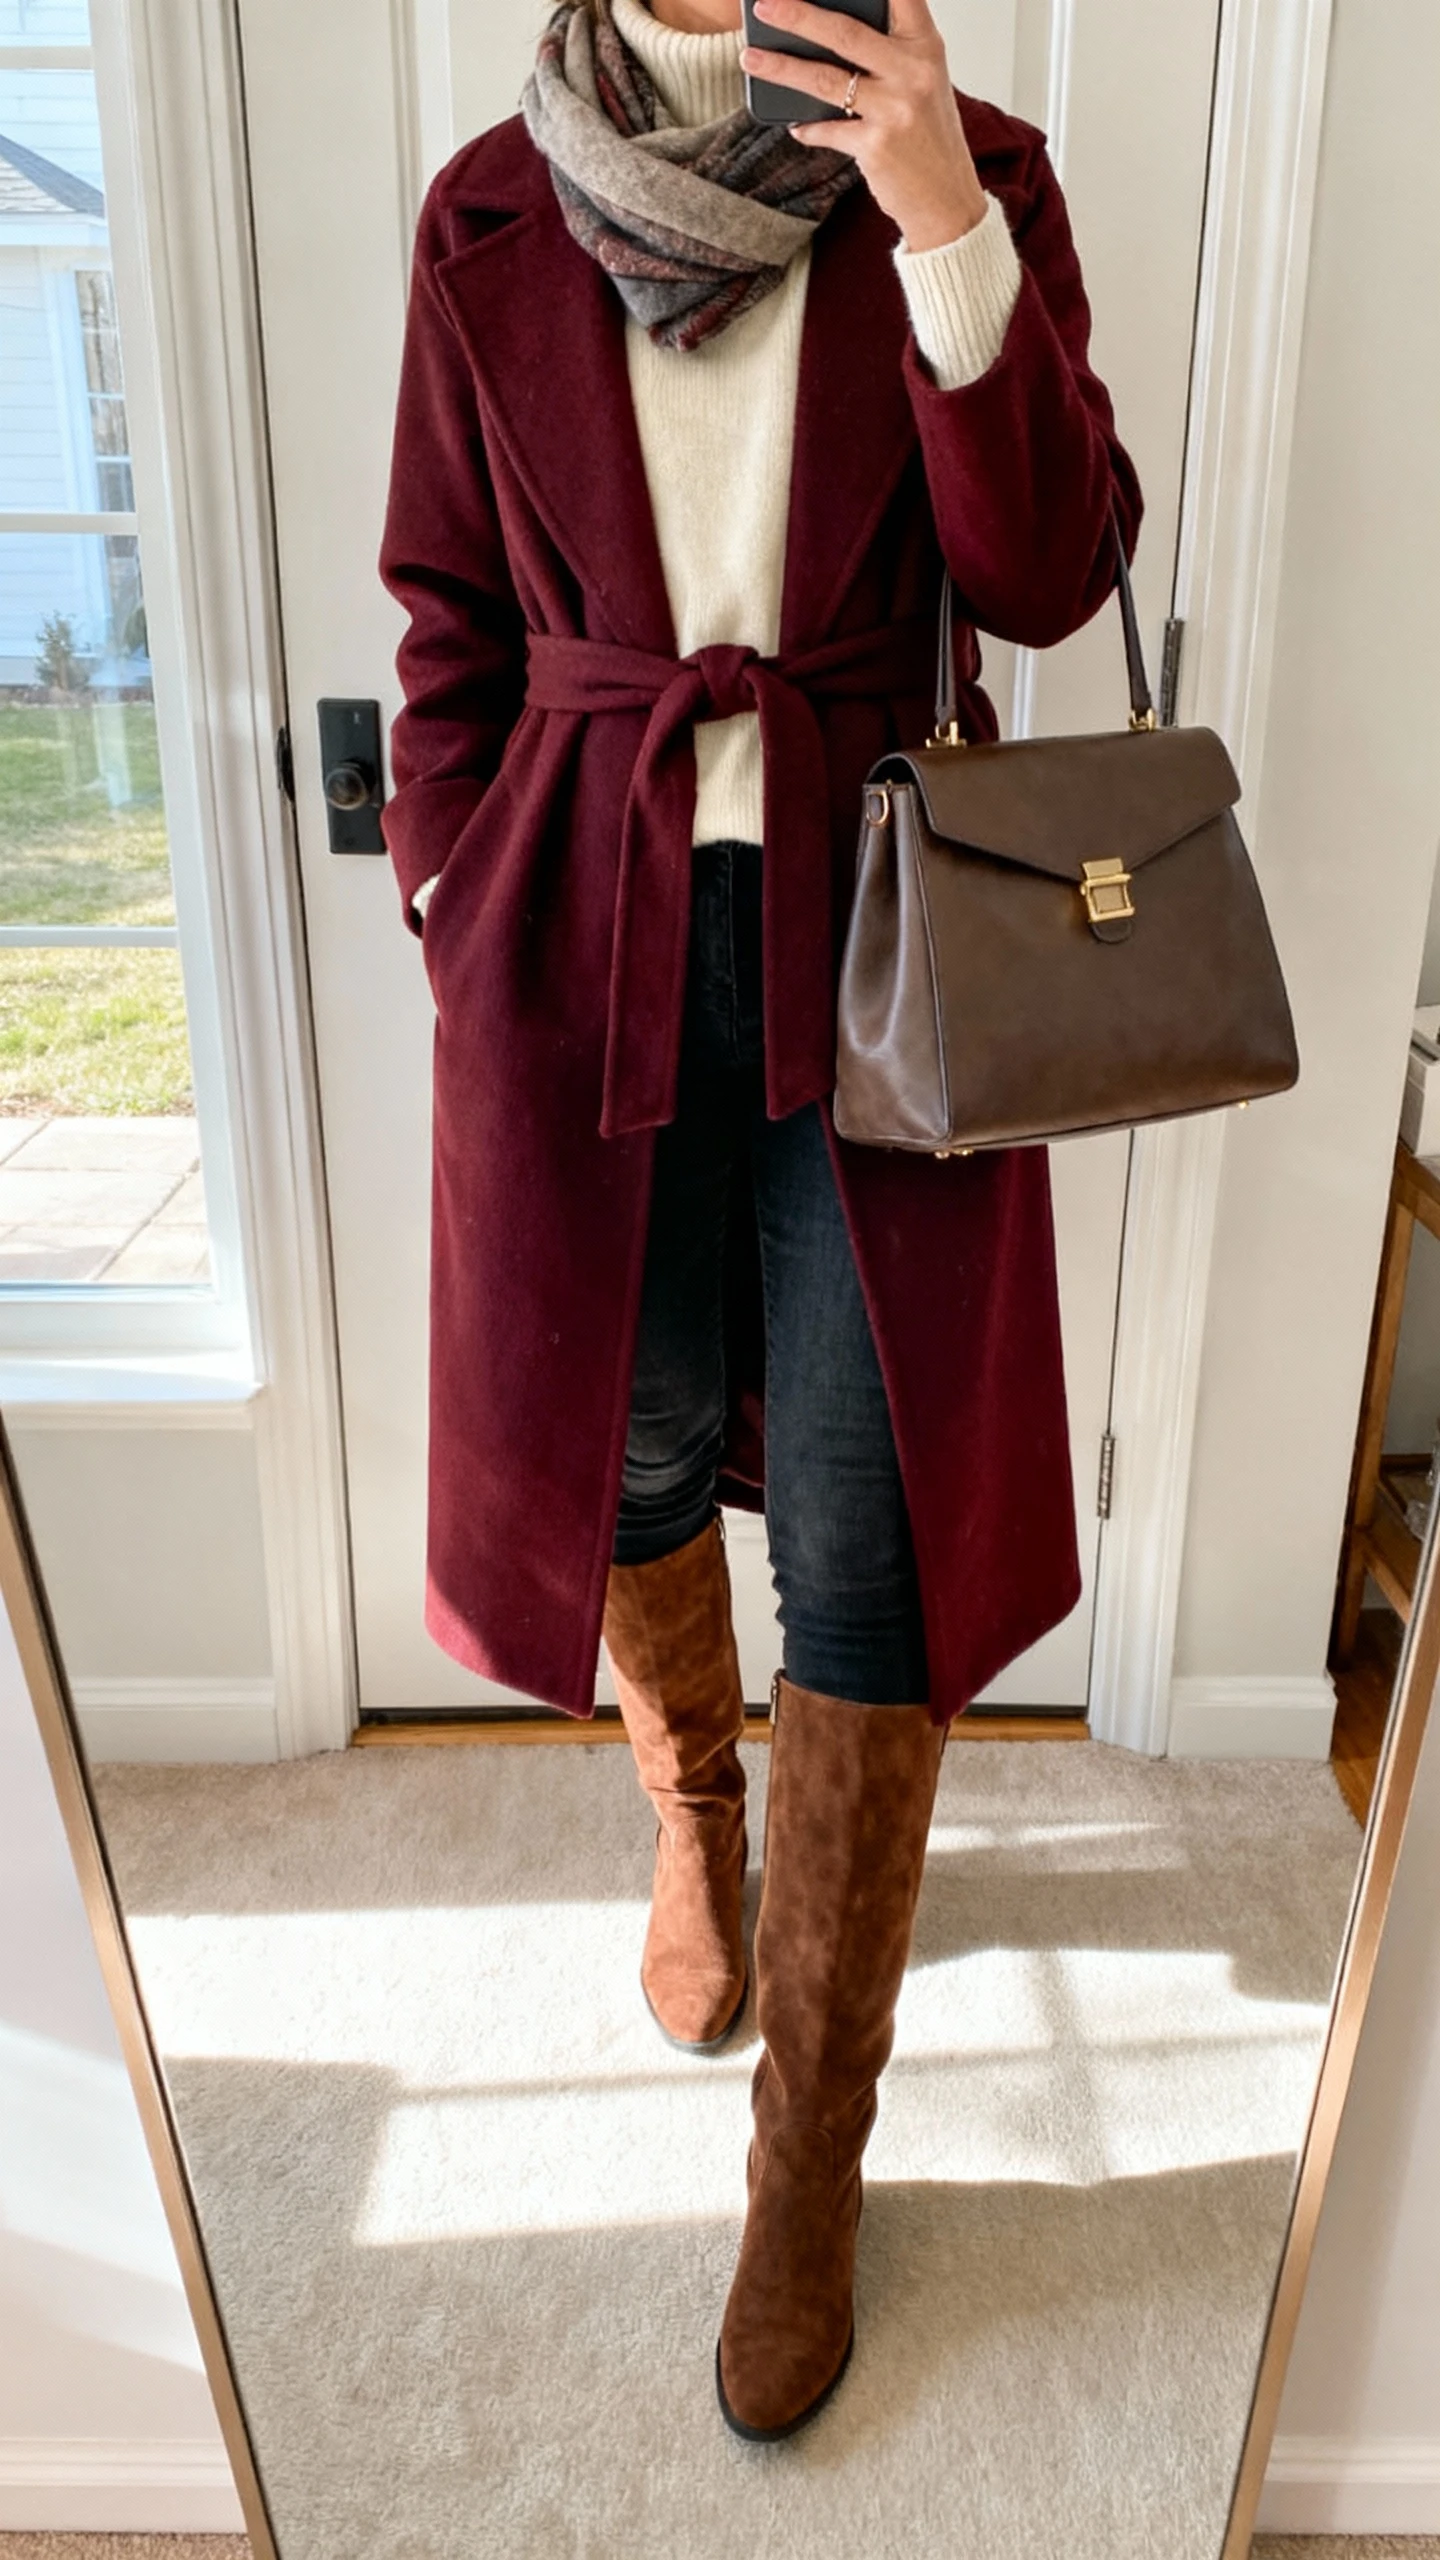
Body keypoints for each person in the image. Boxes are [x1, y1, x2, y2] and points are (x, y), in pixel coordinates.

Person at [378, 0, 1140, 2443]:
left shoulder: (973, 166)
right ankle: (697, 1817)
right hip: (571, 934)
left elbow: (1050, 576)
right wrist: (449, 891)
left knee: (870, 1528)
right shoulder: (492, 206)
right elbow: (444, 627)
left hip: (884, 938)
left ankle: (811, 2147)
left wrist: (941, 223)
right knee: (619, 1453)